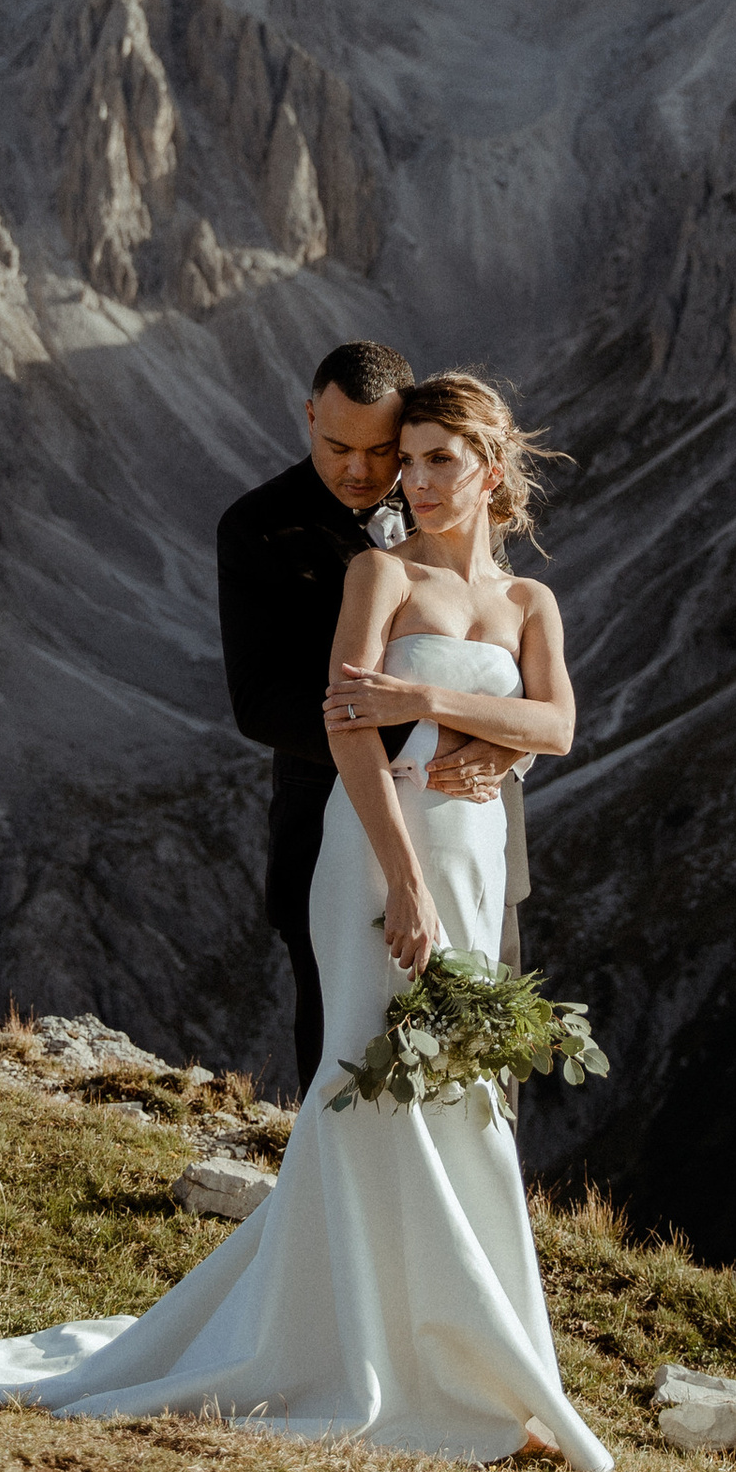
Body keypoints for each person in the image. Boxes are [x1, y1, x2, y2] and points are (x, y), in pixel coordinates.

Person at [0, 370, 611, 1472]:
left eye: (440, 459)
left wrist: (433, 703)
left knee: (464, 1090)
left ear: (491, 469)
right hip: (380, 851)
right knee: (361, 1075)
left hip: (478, 859)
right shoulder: (379, 572)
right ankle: (354, 1346)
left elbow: (558, 725)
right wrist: (406, 879)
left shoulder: (531, 602)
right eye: (409, 460)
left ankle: (485, 1363)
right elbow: (345, 726)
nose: (415, 480)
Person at [212, 341, 526, 1094]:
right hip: (332, 823)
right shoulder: (256, 527)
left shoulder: (444, 491)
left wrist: (506, 749)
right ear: (309, 417)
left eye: (381, 450)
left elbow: (496, 653)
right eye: (337, 446)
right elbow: (258, 701)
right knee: (347, 1059)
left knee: (485, 1052)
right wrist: (415, 738)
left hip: (472, 823)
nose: (360, 469)